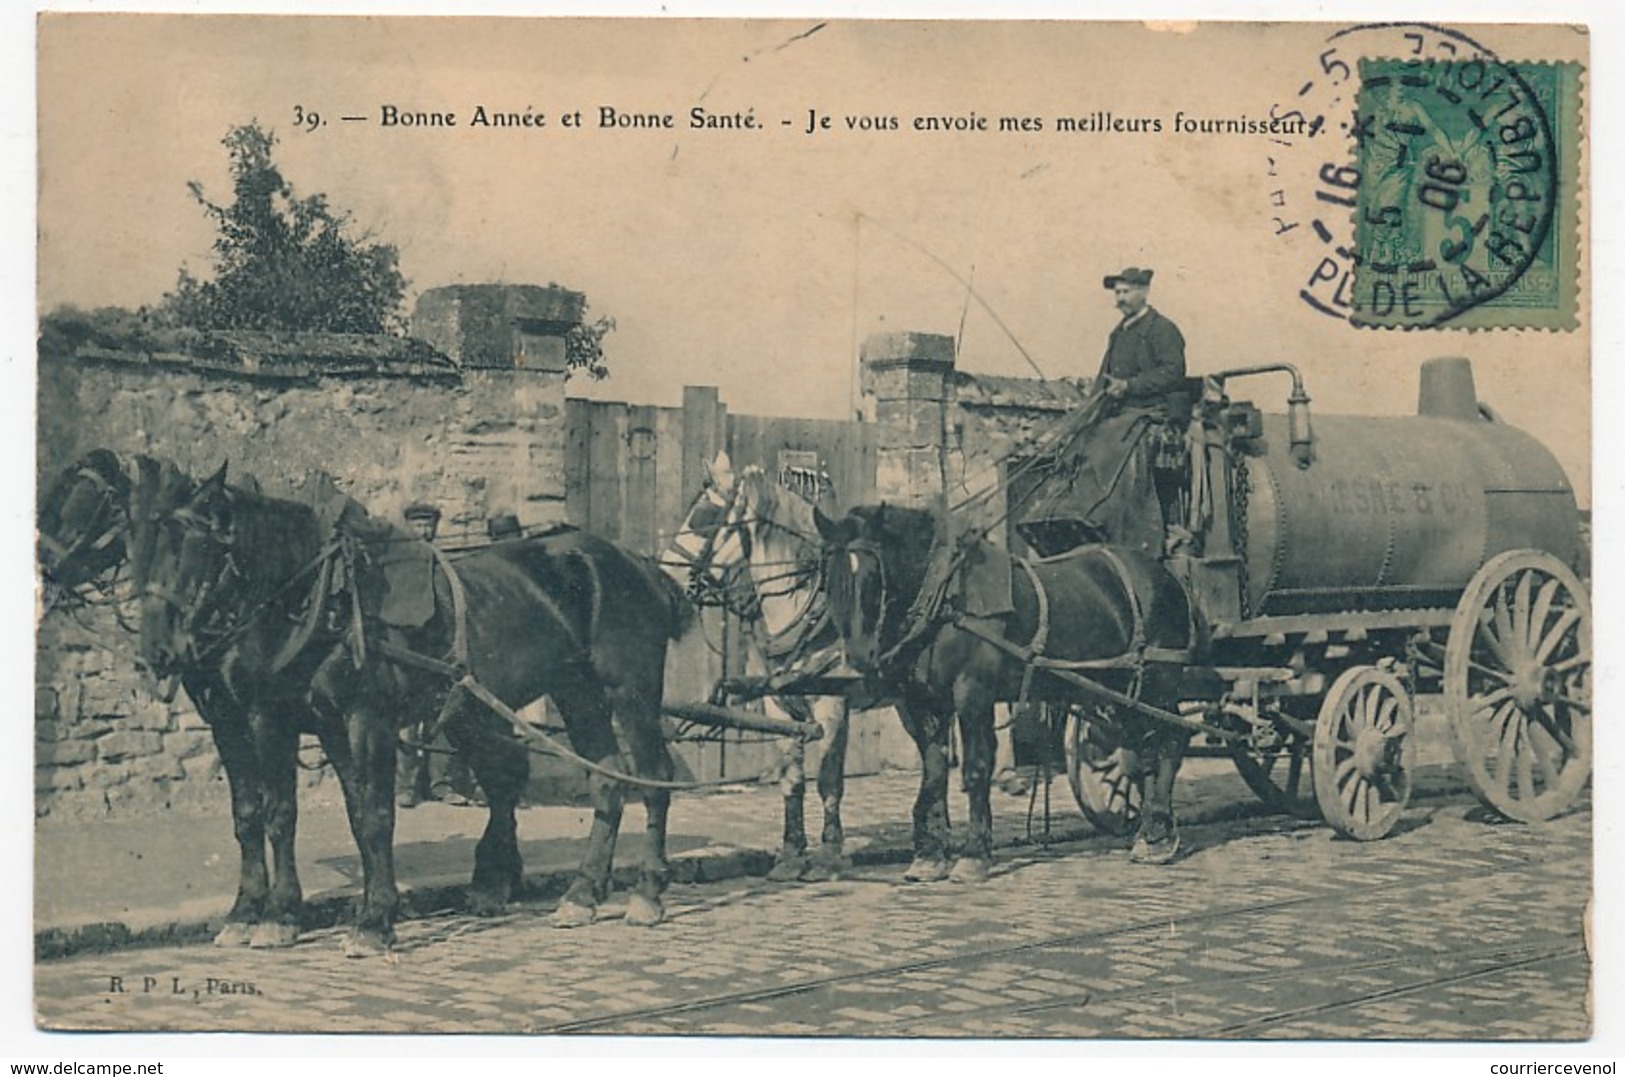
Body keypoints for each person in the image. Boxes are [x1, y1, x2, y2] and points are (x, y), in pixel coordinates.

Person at [1016, 266, 1192, 558]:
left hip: (1150, 410)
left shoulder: (1162, 329)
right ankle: (1067, 512)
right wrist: (1084, 414)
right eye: (1117, 293)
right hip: (1122, 411)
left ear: (1143, 292)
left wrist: (1130, 386)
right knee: (1079, 442)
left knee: (1110, 441)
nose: (1119, 298)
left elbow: (1173, 372)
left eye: (1125, 292)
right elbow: (1103, 378)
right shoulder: (1119, 333)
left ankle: (1109, 523)